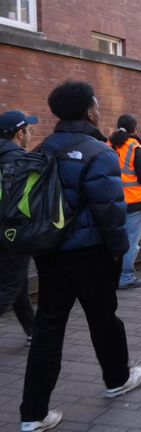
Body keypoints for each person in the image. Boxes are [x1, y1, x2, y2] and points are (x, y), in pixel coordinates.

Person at [20, 81, 141, 432]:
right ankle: (117, 379)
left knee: (48, 328)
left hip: (50, 253)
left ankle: (33, 414)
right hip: (91, 254)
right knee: (103, 319)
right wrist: (119, 251)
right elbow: (109, 211)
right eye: (97, 103)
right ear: (89, 109)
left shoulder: (44, 149)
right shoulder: (98, 152)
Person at [0, 111, 38, 347]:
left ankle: (33, 330)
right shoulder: (21, 161)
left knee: (18, 285)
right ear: (19, 133)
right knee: (9, 288)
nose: (30, 134)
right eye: (28, 130)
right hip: (12, 234)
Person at [108, 114, 141, 290]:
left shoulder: (107, 145)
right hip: (133, 202)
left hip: (110, 201)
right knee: (130, 241)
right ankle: (126, 277)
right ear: (135, 128)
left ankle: (110, 276)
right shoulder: (136, 148)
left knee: (113, 239)